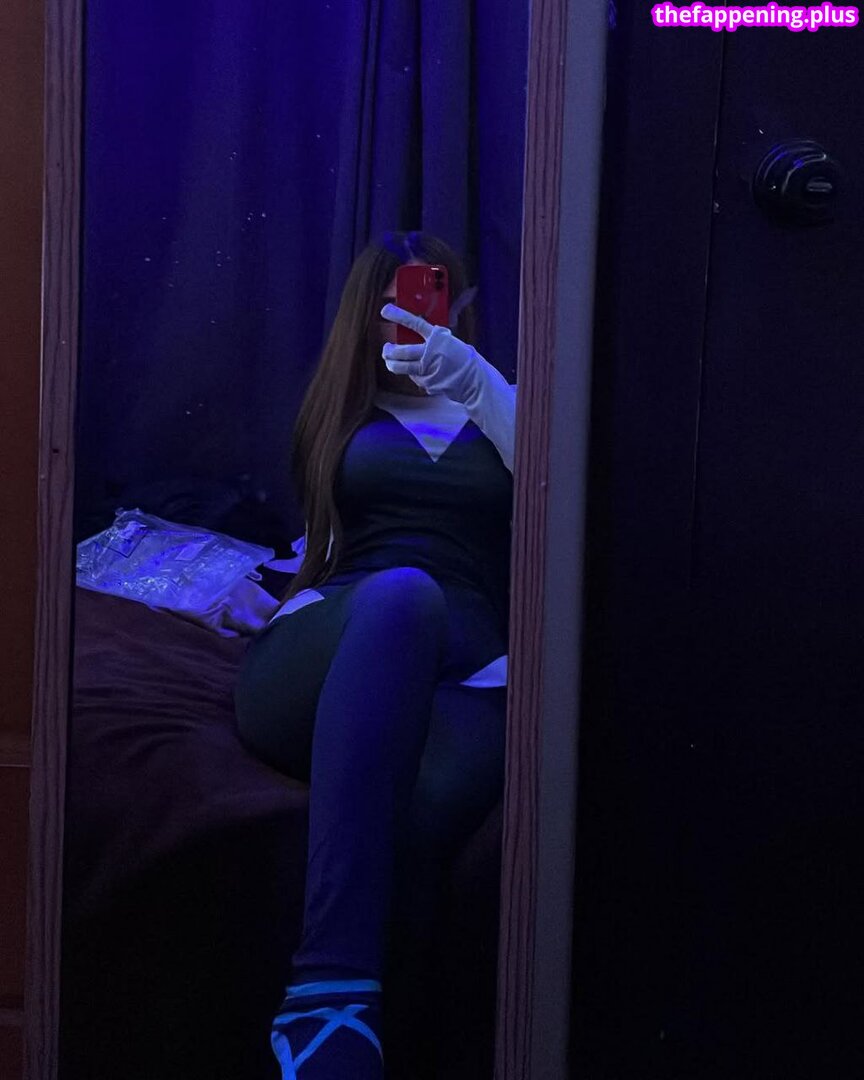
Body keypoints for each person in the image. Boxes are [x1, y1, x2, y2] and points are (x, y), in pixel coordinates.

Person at [233, 230, 517, 1080]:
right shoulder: (345, 413)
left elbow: (564, 482)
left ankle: (396, 1049)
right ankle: (326, 997)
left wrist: (474, 381)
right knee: (403, 594)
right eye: (398, 305)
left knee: (424, 811)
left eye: (438, 301)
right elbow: (318, 541)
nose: (421, 320)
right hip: (347, 634)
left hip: (470, 660)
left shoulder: (503, 407)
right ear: (367, 315)